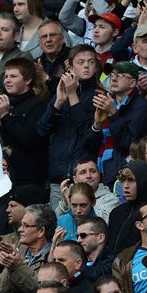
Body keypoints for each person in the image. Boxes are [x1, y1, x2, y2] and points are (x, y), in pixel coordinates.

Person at [37, 44, 100, 206]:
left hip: (84, 177)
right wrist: (58, 101)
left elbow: (87, 132)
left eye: (90, 62)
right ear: (71, 68)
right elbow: (42, 130)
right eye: (80, 62)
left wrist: (72, 96)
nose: (86, 65)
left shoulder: (99, 95)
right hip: (58, 178)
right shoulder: (62, 92)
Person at [85, 62, 147, 187]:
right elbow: (88, 146)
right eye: (112, 74)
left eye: (120, 75)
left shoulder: (143, 108)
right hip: (99, 168)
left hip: (124, 174)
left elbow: (129, 144)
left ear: (133, 83)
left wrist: (113, 115)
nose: (113, 78)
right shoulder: (105, 101)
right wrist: (96, 125)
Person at [0, 57, 48, 187]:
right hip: (2, 175)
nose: (7, 80)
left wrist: (6, 116)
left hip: (28, 179)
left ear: (28, 80)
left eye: (13, 76)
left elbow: (29, 139)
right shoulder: (1, 103)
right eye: (6, 76)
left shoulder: (38, 105)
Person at [56, 158, 120, 224]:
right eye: (83, 172)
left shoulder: (111, 199)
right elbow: (56, 223)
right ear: (75, 179)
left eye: (93, 171)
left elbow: (101, 223)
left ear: (99, 176)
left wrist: (70, 203)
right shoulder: (70, 196)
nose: (89, 176)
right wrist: (66, 202)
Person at [76, 217, 115, 281]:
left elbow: (97, 274)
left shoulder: (112, 260)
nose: (78, 240)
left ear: (100, 238)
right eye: (77, 236)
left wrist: (72, 264)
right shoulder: (80, 259)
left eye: (83, 235)